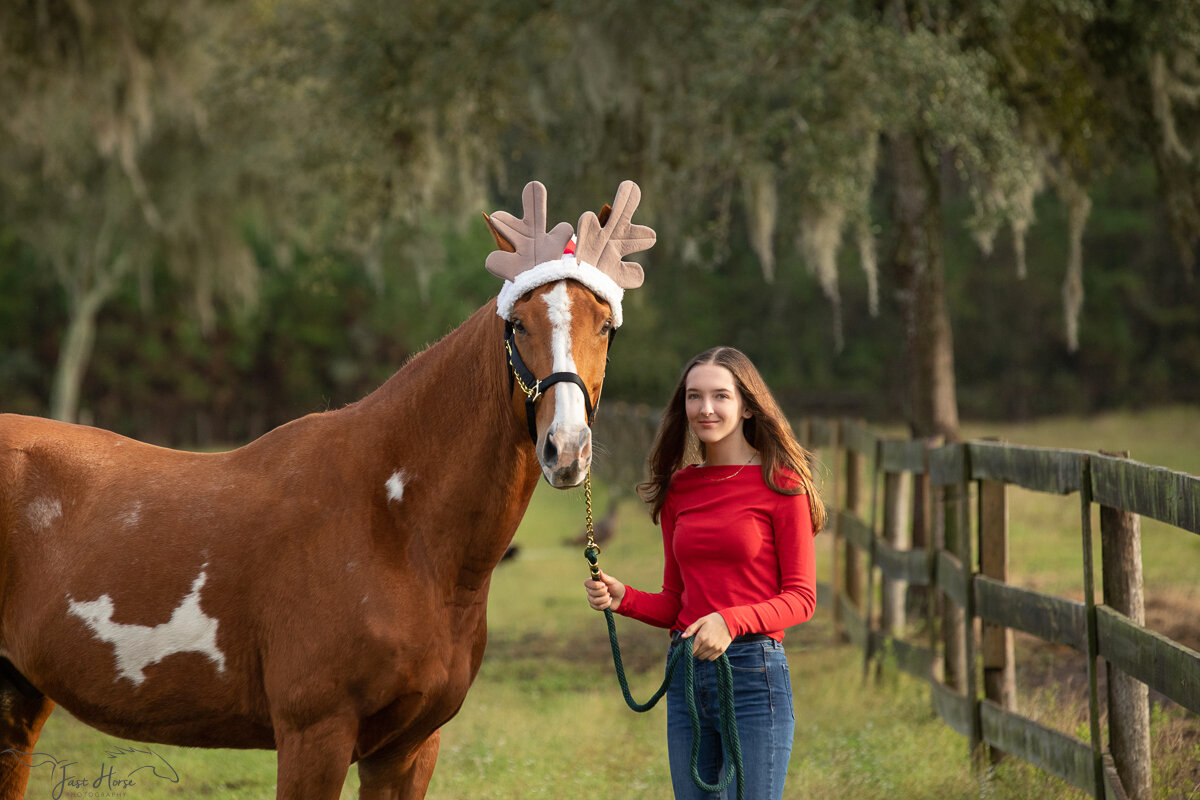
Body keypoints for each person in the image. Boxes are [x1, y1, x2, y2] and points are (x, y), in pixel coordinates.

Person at [585, 346, 825, 800]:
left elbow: (801, 598)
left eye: (721, 396)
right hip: (687, 674)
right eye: (694, 397)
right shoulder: (681, 488)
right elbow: (678, 601)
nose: (705, 409)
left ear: (748, 405)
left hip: (753, 676)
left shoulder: (782, 484)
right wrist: (625, 599)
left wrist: (729, 620)